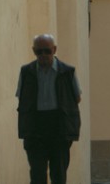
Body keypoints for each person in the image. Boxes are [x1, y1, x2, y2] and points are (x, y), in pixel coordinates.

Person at [16, 34, 82, 184]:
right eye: (39, 52)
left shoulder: (67, 72)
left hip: (59, 129)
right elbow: (22, 97)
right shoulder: (27, 72)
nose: (43, 55)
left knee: (58, 174)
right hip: (35, 130)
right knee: (37, 175)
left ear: (54, 49)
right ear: (34, 51)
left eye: (47, 51)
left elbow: (77, 98)